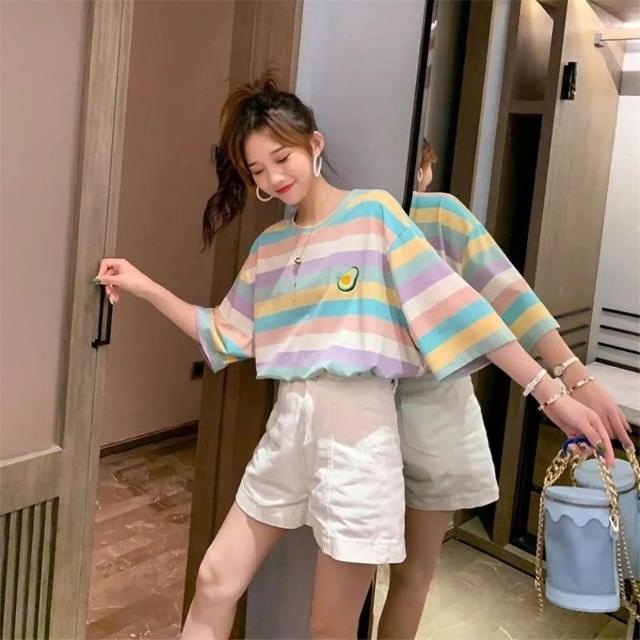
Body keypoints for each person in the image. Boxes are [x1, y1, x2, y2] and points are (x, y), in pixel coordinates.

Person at [95, 80, 613, 639]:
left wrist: (553, 392)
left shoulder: (373, 215)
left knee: (331, 626)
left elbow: (459, 308)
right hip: (288, 426)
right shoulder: (269, 248)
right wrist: (145, 286)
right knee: (215, 579)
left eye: (282, 158)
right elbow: (220, 333)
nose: (274, 178)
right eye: (258, 170)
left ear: (314, 144)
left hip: (360, 437)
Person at [376, 141, 631, 639]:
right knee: (411, 577)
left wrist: (571, 382)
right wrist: (575, 378)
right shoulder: (434, 213)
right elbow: (507, 295)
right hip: (428, 416)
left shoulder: (380, 216)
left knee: (373, 577)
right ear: (424, 168)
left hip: (388, 411)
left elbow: (506, 299)